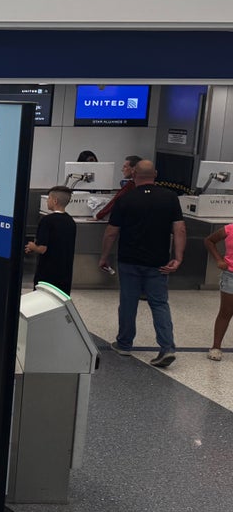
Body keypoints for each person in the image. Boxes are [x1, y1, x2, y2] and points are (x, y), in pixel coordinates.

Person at [98, 160, 186, 368]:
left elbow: (112, 232)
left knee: (128, 302)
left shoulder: (126, 199)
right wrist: (178, 257)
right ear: (155, 174)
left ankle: (124, 344)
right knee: (159, 303)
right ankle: (167, 347)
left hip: (129, 259)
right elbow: (180, 229)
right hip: (159, 261)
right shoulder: (170, 198)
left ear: (134, 174)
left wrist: (104, 256)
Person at [25, 185, 77, 294]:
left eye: (48, 198)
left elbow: (42, 248)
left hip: (48, 272)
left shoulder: (47, 221)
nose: (47, 201)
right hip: (65, 272)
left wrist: (32, 247)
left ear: (55, 201)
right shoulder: (70, 221)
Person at [203, 223, 233, 361]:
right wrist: (219, 259)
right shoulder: (229, 229)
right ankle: (216, 347)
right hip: (231, 275)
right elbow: (209, 240)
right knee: (226, 312)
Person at [94, 154, 142, 222]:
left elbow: (115, 201)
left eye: (125, 167)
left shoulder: (130, 185)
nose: (122, 170)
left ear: (133, 169)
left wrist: (98, 216)